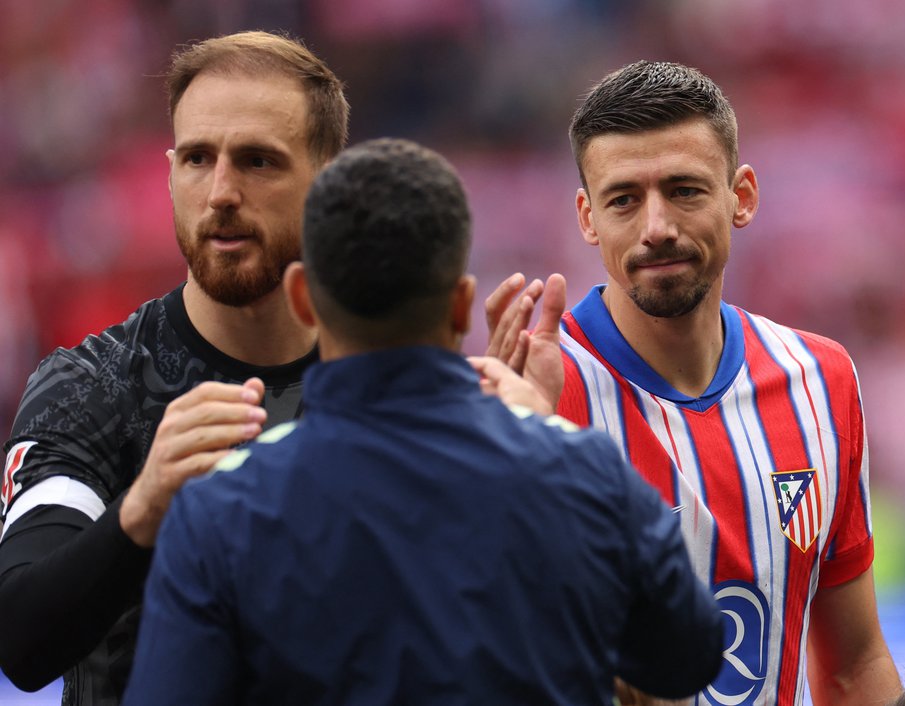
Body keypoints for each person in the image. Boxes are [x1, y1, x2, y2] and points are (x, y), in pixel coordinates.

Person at [121, 137, 725, 705]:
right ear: (462, 304)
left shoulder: (220, 511)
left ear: (303, 296)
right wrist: (545, 434)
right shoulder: (585, 473)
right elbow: (688, 658)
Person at [485, 61, 903, 706]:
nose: (656, 227)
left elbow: (853, 664)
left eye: (684, 190)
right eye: (624, 198)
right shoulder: (533, 393)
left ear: (742, 196)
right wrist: (504, 457)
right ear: (587, 217)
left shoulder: (821, 380)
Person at [0, 30, 349, 705]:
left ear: (332, 182)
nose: (220, 192)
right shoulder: (92, 388)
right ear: (169, 173)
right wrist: (142, 509)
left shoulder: (388, 382)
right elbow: (20, 639)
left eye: (257, 161)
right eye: (197, 158)